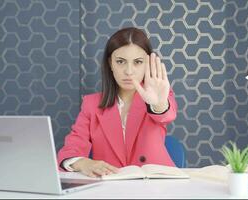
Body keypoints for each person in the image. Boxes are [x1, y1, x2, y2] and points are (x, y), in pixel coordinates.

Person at [57, 27, 177, 178]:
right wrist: (83, 163)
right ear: (110, 64)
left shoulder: (160, 95)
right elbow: (71, 148)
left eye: (138, 62)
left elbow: (166, 115)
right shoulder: (91, 104)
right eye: (120, 62)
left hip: (157, 186)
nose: (129, 71)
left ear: (148, 63)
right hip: (110, 187)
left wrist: (158, 105)